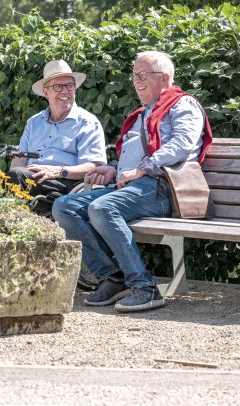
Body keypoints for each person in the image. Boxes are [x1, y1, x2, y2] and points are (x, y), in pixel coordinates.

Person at [52, 51, 213, 312]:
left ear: (164, 78)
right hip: (133, 186)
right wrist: (113, 170)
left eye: (142, 75)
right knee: (63, 207)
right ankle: (113, 279)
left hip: (163, 188)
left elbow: (182, 144)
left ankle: (145, 288)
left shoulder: (183, 105)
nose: (136, 80)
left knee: (103, 208)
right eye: (134, 75)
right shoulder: (143, 113)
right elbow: (132, 158)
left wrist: (142, 168)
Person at [8, 59, 107, 213]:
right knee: (2, 177)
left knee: (17, 176)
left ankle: (46, 205)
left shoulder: (87, 122)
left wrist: (59, 171)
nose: (65, 91)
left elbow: (95, 166)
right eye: (58, 87)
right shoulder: (34, 123)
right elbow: (19, 159)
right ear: (46, 92)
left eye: (69, 86)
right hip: (31, 178)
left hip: (66, 182)